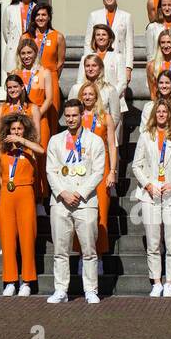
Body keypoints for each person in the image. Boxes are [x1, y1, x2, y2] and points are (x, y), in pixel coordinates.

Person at [45, 99, 105, 304]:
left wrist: (79, 192)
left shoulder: (95, 141)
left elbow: (98, 172)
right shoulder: (55, 140)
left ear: (82, 116)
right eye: (67, 115)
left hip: (85, 201)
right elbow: (51, 171)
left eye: (74, 115)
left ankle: (91, 289)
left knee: (89, 249)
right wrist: (63, 193)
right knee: (60, 249)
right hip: (61, 202)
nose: (70, 119)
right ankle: (61, 289)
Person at [132, 99, 171, 297]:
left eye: (165, 112)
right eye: (158, 112)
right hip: (151, 193)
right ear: (153, 114)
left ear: (169, 115)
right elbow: (136, 165)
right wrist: (147, 184)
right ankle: (156, 281)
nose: (161, 115)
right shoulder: (145, 136)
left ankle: (169, 281)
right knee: (153, 241)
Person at [0, 111, 42, 296]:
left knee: (27, 238)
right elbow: (0, 176)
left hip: (25, 193)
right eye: (13, 129)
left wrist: (22, 142)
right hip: (8, 193)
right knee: (7, 239)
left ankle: (27, 281)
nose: (16, 132)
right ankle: (10, 280)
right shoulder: (3, 151)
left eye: (19, 129)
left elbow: (42, 150)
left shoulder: (30, 149)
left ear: (25, 131)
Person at [77, 82, 118, 268]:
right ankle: (81, 255)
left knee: (101, 213)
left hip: (102, 168)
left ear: (96, 96)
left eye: (90, 94)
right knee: (80, 213)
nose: (87, 97)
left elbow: (112, 145)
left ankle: (98, 255)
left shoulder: (105, 117)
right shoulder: (76, 117)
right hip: (81, 169)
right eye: (84, 94)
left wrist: (112, 172)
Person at [13, 37, 54, 212]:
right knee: (22, 156)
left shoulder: (44, 73)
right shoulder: (15, 72)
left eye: (29, 53)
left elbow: (49, 99)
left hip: (39, 120)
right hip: (19, 122)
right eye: (23, 53)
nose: (26, 56)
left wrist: (34, 115)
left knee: (39, 157)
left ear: (36, 53)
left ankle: (41, 198)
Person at [72, 47, 124, 153]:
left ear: (100, 68)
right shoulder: (76, 88)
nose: (90, 69)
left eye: (94, 66)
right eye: (87, 66)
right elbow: (70, 111)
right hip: (79, 137)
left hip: (103, 137)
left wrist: (103, 131)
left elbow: (115, 116)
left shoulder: (109, 89)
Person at [83, 0, 135, 86]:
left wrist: (128, 68)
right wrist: (87, 64)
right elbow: (88, 41)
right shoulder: (94, 15)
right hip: (98, 61)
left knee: (117, 93)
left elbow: (129, 44)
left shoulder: (126, 16)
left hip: (118, 62)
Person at [27, 3, 65, 119]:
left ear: (49, 17)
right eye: (37, 15)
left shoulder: (58, 36)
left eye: (44, 15)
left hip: (51, 77)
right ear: (33, 17)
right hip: (32, 78)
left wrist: (52, 77)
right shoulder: (27, 36)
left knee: (51, 116)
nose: (40, 18)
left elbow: (60, 62)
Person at [2, 0, 39, 72]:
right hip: (14, 54)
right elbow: (6, 34)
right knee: (13, 85)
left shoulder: (38, 9)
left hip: (33, 54)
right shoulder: (10, 9)